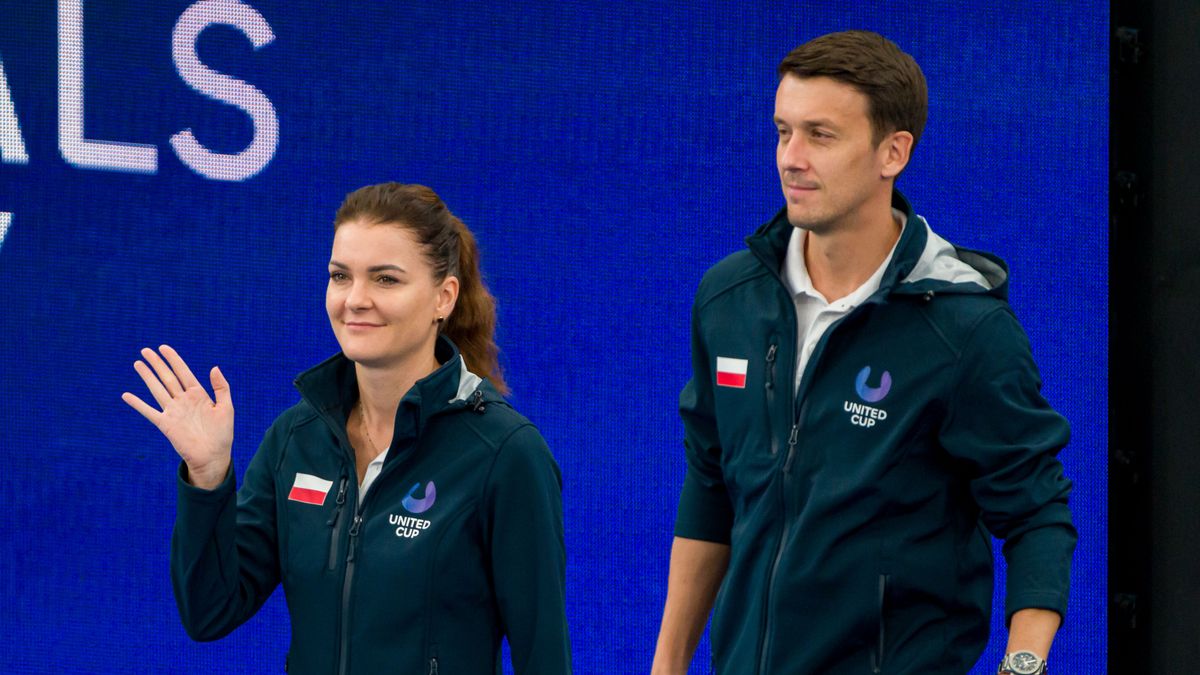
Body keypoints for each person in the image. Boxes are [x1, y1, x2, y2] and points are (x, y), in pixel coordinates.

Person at [650, 31, 1075, 675]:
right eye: (782, 131)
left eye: (820, 136)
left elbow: (1037, 515)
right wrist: (668, 666)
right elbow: (710, 487)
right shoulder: (729, 298)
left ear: (892, 152)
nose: (791, 158)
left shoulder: (964, 327)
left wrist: (1022, 667)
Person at [123, 183, 571, 674]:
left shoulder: (504, 452)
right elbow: (210, 611)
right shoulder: (297, 437)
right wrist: (207, 477)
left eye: (385, 280)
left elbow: (543, 654)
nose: (355, 300)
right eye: (341, 276)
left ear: (444, 297)